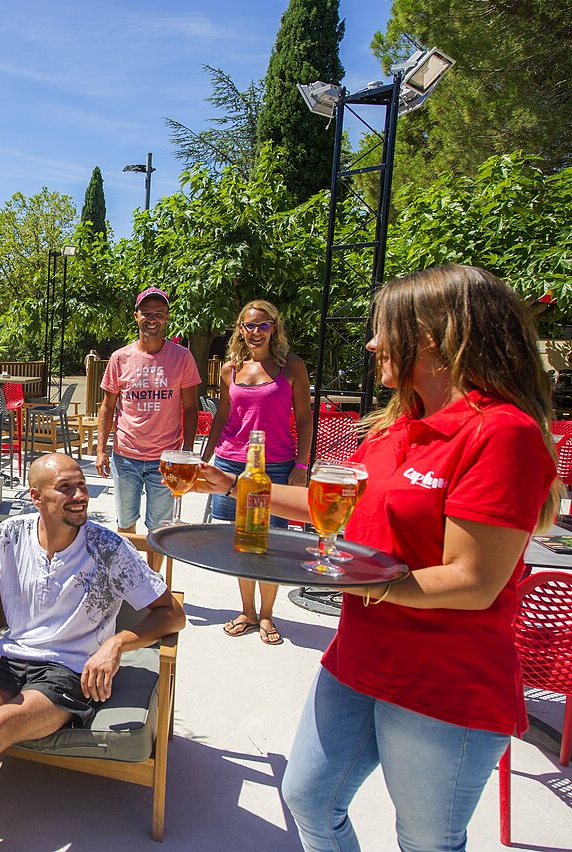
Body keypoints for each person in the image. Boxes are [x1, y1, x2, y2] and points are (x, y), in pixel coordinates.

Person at [194, 265, 561, 851]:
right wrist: (228, 484)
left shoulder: (500, 433)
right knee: (309, 798)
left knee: (424, 841)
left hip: (443, 683)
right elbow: (332, 503)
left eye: (384, 330)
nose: (371, 344)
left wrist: (358, 579)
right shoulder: (397, 427)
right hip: (360, 658)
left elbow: (473, 580)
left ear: (433, 338)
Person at [0, 453, 186, 846]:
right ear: (36, 496)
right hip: (9, 657)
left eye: (81, 485)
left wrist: (119, 642)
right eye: (65, 487)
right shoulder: (11, 534)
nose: (80, 495)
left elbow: (172, 613)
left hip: (68, 673)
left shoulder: (109, 549)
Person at [202, 300, 312, 645]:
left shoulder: (291, 367)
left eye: (263, 325)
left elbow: (306, 417)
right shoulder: (229, 369)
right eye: (248, 325)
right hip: (231, 461)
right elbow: (222, 417)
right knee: (241, 541)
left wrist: (302, 465)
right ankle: (247, 611)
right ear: (240, 329)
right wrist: (203, 458)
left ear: (274, 328)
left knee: (270, 543)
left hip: (275, 465)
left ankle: (267, 614)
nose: (255, 332)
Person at [95, 287, 201, 559]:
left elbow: (190, 408)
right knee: (125, 525)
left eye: (159, 314)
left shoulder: (182, 357)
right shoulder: (120, 358)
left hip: (165, 458)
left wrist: (186, 452)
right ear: (136, 316)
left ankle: (153, 591)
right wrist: (101, 450)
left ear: (166, 318)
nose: (152, 319)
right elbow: (108, 406)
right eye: (146, 313)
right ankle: (127, 583)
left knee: (159, 530)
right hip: (126, 455)